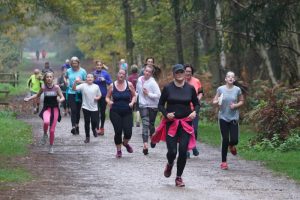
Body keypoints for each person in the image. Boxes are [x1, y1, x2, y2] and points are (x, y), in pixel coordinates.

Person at [151, 64, 200, 187]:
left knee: (183, 151)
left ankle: (178, 177)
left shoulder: (190, 88)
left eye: (181, 72)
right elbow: (161, 105)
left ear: (185, 73)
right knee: (172, 151)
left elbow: (197, 104)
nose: (180, 74)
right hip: (171, 123)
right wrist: (166, 114)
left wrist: (195, 112)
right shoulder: (168, 88)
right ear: (173, 74)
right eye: (177, 72)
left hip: (185, 123)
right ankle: (169, 163)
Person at [24, 71, 65, 154]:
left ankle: (51, 146)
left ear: (53, 78)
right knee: (46, 122)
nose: (49, 78)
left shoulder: (56, 87)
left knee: (52, 130)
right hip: (46, 109)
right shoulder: (43, 88)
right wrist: (29, 98)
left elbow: (62, 97)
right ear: (45, 79)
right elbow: (37, 95)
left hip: (55, 110)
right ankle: (45, 134)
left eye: (50, 77)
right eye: (47, 77)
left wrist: (60, 100)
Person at [212, 71, 244, 170]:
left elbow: (242, 101)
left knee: (235, 140)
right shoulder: (220, 89)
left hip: (234, 117)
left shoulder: (237, 90)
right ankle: (224, 162)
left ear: (234, 80)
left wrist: (235, 105)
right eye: (228, 77)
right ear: (225, 79)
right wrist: (218, 102)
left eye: (232, 77)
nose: (230, 78)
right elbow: (214, 101)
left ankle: (232, 146)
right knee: (225, 139)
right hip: (223, 117)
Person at [106, 69, 136, 158]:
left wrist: (132, 102)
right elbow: (107, 97)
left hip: (127, 111)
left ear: (125, 76)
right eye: (120, 73)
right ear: (117, 74)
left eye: (123, 74)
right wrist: (109, 102)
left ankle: (125, 143)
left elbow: (134, 95)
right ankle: (119, 150)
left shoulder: (129, 85)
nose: (121, 75)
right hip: (115, 111)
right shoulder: (112, 86)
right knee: (118, 131)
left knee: (128, 132)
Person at [136, 65, 161, 155]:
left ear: (151, 73)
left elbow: (158, 95)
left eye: (149, 72)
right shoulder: (139, 80)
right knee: (145, 124)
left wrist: (148, 94)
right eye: (146, 71)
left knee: (151, 125)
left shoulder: (153, 83)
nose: (146, 73)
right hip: (143, 105)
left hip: (153, 106)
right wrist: (135, 99)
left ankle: (153, 140)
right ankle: (145, 144)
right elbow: (137, 91)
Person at [73, 74, 101, 143]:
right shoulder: (83, 85)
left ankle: (94, 129)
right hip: (85, 107)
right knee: (87, 122)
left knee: (94, 121)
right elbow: (74, 89)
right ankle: (87, 137)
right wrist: (75, 82)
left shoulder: (96, 86)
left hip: (94, 108)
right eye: (88, 77)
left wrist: (97, 98)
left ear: (93, 79)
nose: (90, 78)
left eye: (91, 77)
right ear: (86, 79)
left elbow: (99, 95)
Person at [184, 64, 203, 158]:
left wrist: (198, 99)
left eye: (190, 72)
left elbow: (200, 92)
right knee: (186, 130)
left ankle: (193, 145)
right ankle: (187, 149)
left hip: (194, 108)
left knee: (194, 129)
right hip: (184, 109)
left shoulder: (197, 81)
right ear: (183, 72)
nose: (188, 73)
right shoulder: (181, 81)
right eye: (186, 71)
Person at [65, 56, 87, 135]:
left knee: (77, 111)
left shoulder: (83, 71)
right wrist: (66, 81)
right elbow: (65, 77)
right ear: (71, 63)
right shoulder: (68, 70)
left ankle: (77, 125)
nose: (74, 64)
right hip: (71, 92)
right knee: (73, 110)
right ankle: (73, 126)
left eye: (76, 63)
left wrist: (79, 82)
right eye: (73, 63)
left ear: (78, 63)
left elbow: (87, 81)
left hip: (80, 93)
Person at [93, 60, 112, 135]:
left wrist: (105, 80)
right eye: (97, 65)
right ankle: (97, 128)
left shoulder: (105, 73)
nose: (99, 66)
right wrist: (93, 80)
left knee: (103, 112)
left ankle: (102, 127)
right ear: (96, 66)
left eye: (100, 65)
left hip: (104, 94)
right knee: (96, 112)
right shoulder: (93, 74)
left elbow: (110, 83)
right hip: (95, 95)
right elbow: (89, 82)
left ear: (102, 66)